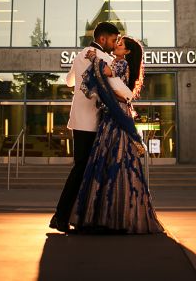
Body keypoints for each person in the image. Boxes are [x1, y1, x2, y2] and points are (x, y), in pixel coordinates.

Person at [70, 35, 163, 234]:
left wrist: (95, 57)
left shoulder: (120, 64)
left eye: (119, 44)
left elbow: (105, 72)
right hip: (115, 111)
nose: (116, 46)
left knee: (114, 159)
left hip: (116, 115)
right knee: (116, 161)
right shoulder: (121, 63)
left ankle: (110, 216)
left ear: (127, 52)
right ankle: (118, 216)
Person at [49, 21, 133, 233]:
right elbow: (119, 88)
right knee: (83, 170)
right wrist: (130, 95)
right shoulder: (102, 57)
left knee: (81, 168)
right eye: (113, 40)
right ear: (103, 39)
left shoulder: (80, 55)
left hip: (77, 120)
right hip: (93, 122)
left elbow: (69, 81)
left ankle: (67, 216)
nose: (115, 45)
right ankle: (61, 216)